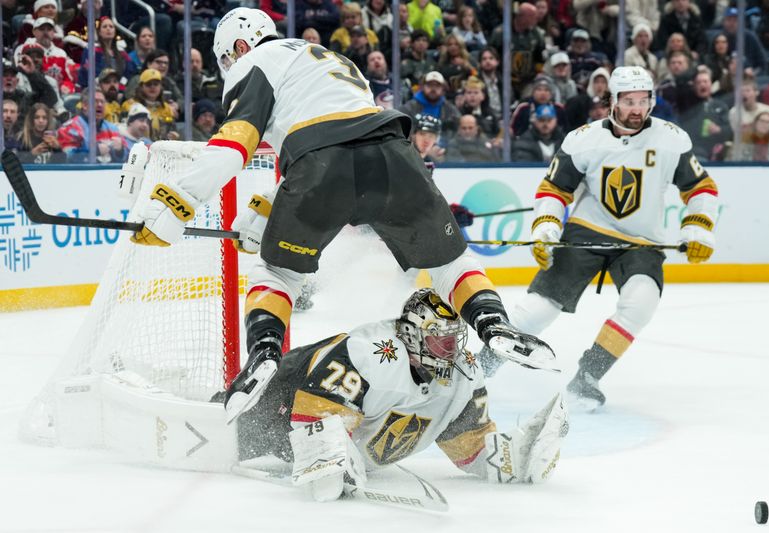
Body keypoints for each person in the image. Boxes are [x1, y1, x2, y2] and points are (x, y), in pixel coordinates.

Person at [129, 8, 557, 423]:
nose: (228, 67)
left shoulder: (255, 60)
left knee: (277, 275)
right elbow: (341, 133)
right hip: (393, 152)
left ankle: (263, 353)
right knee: (451, 263)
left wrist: (173, 204)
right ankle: (493, 323)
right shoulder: (332, 59)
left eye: (226, 58)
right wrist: (262, 216)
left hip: (320, 163)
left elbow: (238, 144)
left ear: (241, 44)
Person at [502, 66, 719, 409]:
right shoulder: (583, 139)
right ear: (612, 101)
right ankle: (479, 368)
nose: (637, 108)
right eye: (629, 100)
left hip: (642, 243)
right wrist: (546, 226)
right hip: (588, 231)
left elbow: (701, 188)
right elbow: (555, 189)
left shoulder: (671, 139)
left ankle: (588, 377)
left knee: (641, 301)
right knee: (537, 310)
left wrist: (698, 227)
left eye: (643, 100)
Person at [238, 289, 568, 500]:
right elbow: (313, 413)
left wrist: (512, 456)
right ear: (413, 336)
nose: (450, 352)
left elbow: (467, 442)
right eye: (441, 341)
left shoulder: (463, 372)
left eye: (454, 341)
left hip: (332, 421)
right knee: (234, 438)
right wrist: (330, 456)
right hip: (281, 400)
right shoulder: (368, 353)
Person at [57, 88, 129, 163]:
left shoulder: (113, 128)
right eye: (96, 101)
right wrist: (93, 152)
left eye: (102, 102)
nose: (100, 105)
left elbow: (128, 158)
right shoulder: (69, 128)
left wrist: (120, 151)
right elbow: (67, 157)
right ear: (85, 105)